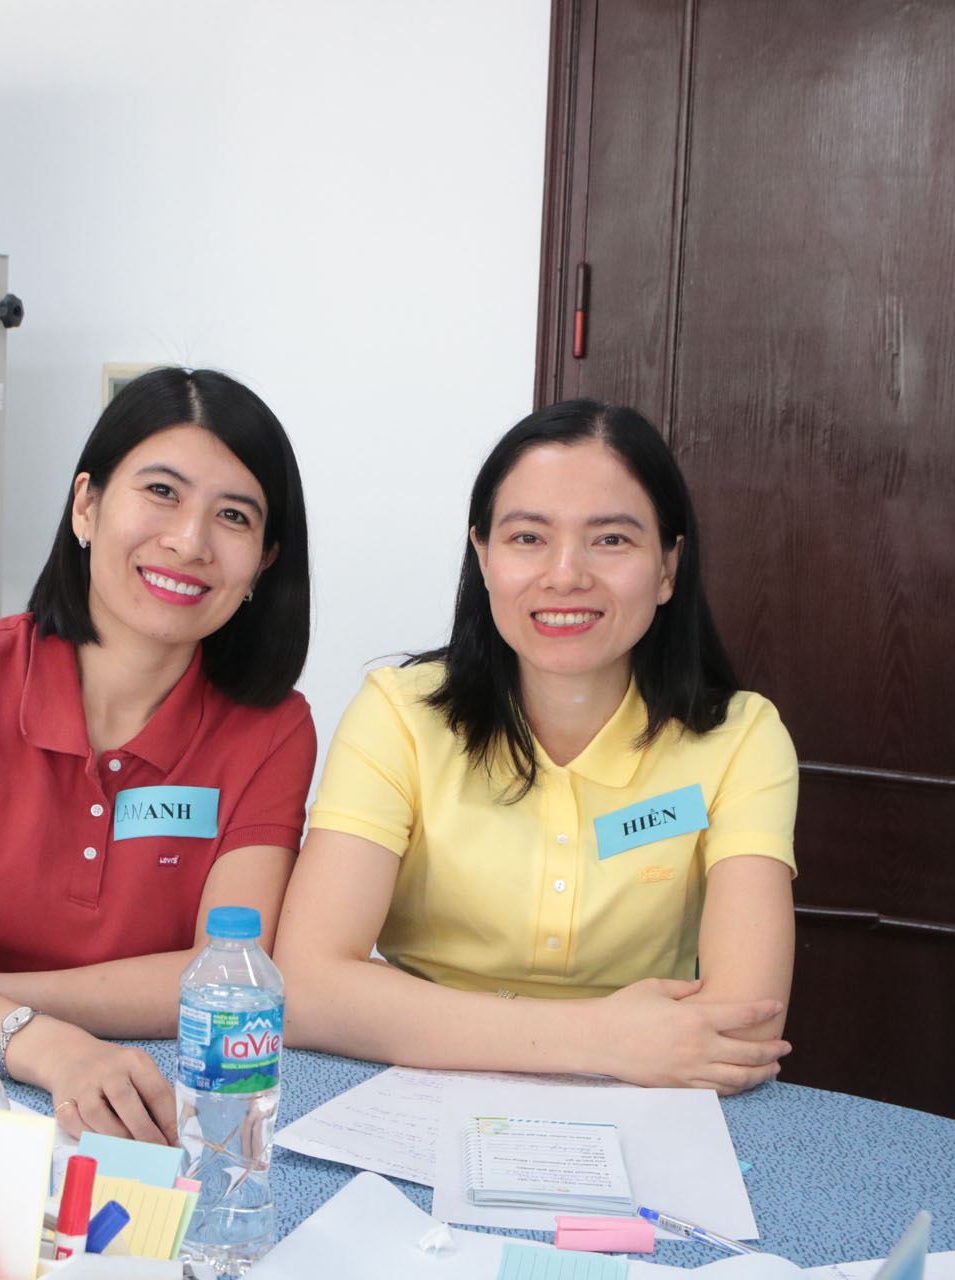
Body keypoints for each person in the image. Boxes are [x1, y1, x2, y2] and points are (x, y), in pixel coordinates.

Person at [0, 367, 314, 1143]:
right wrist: (47, 1046)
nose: (189, 542)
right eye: (161, 492)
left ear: (264, 561)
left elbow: (226, 974)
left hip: (137, 1089)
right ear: (86, 507)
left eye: (233, 515)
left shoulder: (274, 729)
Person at [275, 398, 794, 1095]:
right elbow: (306, 988)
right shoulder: (400, 714)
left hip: (644, 1099)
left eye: (611, 539)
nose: (566, 574)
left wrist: (413, 1016)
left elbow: (740, 1032)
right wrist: (605, 1037)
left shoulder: (741, 737)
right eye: (528, 537)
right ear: (484, 557)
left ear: (669, 567)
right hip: (421, 1093)